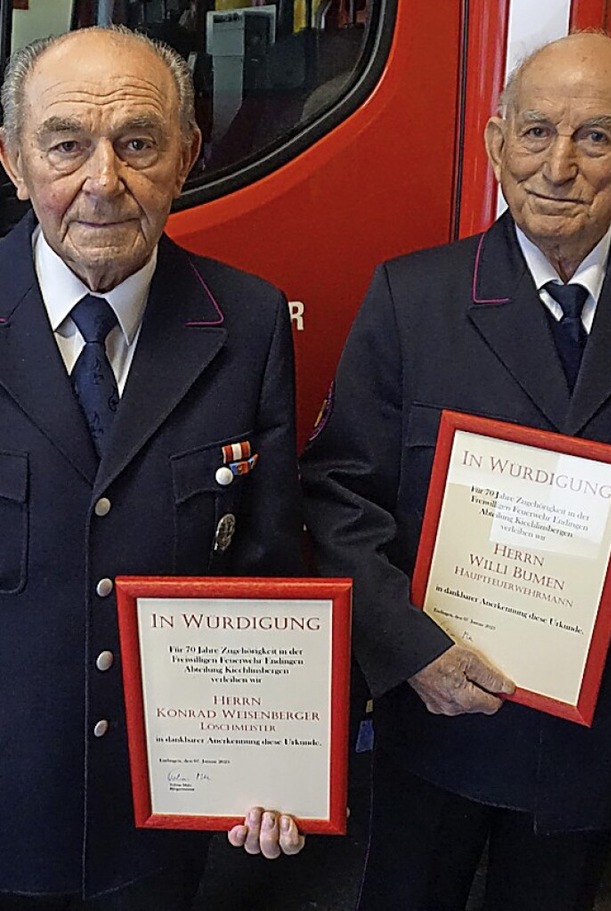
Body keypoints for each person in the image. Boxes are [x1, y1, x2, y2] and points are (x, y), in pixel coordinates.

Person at [301, 31, 611, 911]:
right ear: (496, 144)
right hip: (436, 729)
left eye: (595, 136)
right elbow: (339, 497)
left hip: (598, 742)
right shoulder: (411, 299)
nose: (558, 165)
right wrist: (412, 653)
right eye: (534, 132)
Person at [0, 24, 304, 910]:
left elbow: (267, 570)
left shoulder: (245, 324)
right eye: (66, 145)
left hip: (163, 823)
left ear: (185, 157)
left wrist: (276, 762)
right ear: (14, 161)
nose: (103, 181)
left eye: (138, 143)